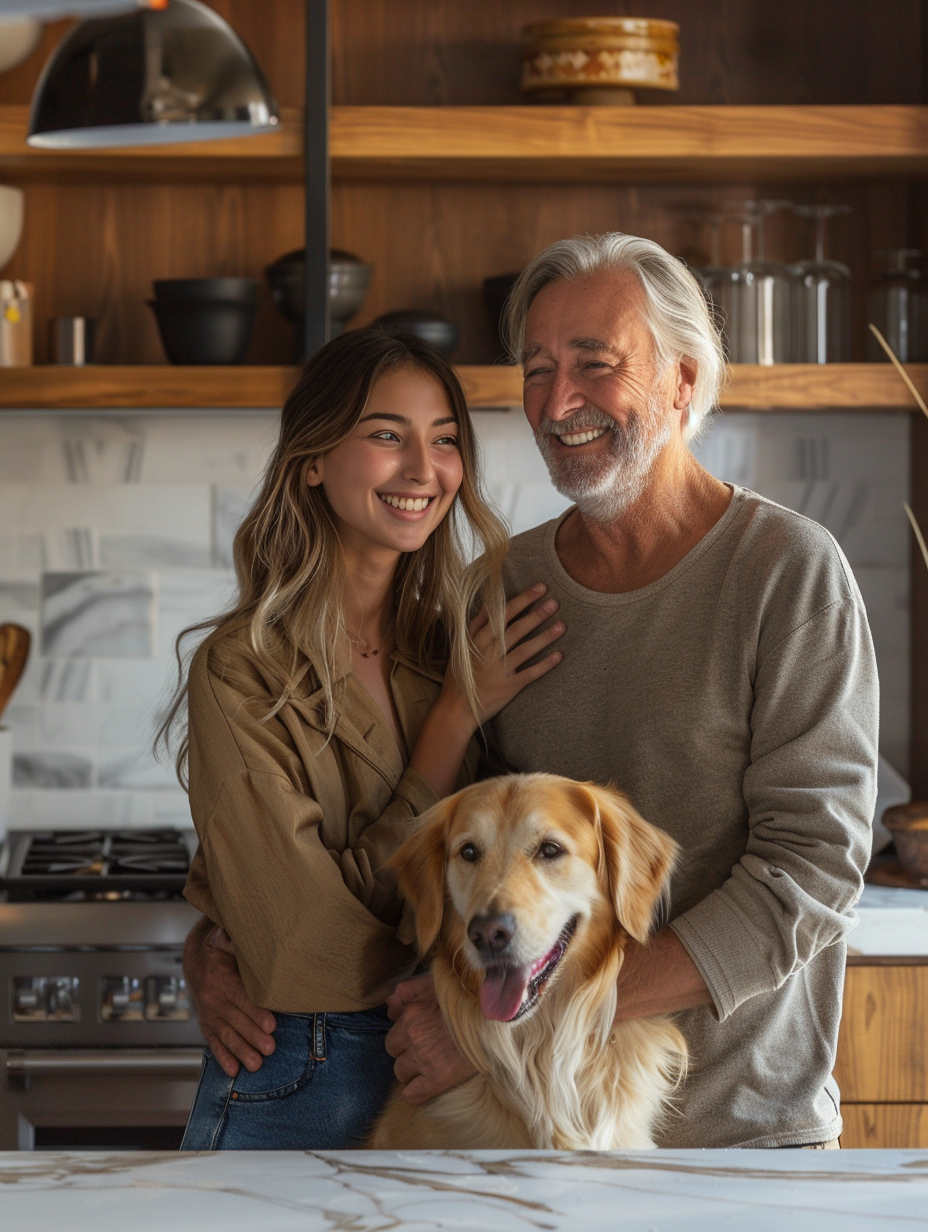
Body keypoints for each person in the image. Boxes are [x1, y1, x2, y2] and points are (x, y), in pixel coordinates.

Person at [184, 234, 879, 1150]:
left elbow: (813, 869)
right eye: (537, 369)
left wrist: (527, 1016)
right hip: (533, 1139)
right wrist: (218, 943)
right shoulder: (499, 592)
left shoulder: (787, 573)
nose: (556, 403)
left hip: (740, 1130)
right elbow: (448, 862)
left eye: (595, 364)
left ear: (681, 378)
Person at [164, 327, 564, 1150]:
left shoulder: (458, 647)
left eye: (444, 440)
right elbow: (307, 955)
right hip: (300, 1081)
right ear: (312, 459)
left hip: (461, 1078)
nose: (424, 470)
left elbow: (531, 884)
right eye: (387, 435)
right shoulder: (240, 670)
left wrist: (232, 926)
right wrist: (452, 725)